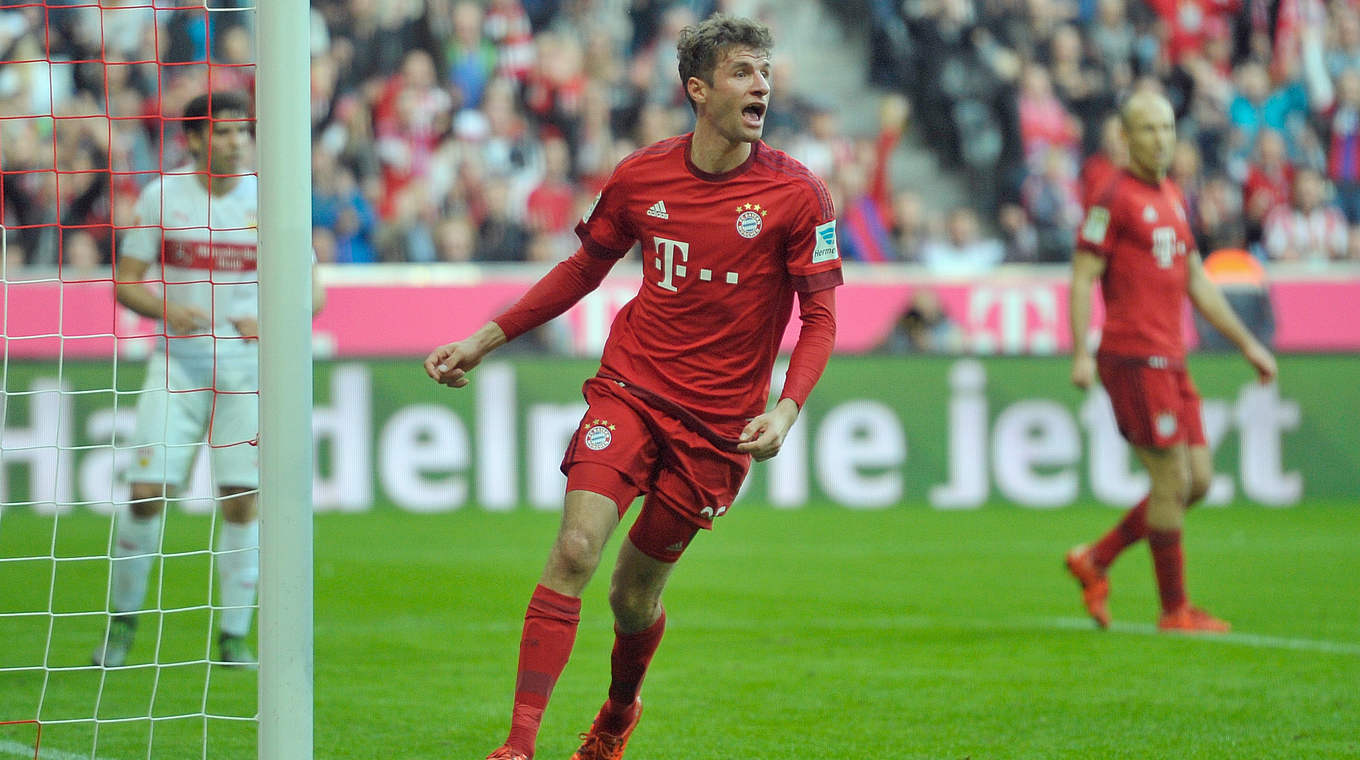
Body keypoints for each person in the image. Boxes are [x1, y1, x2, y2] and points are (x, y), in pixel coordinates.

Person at [423, 14, 840, 760]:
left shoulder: (798, 195)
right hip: (632, 391)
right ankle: (518, 746)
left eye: (765, 73)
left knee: (630, 596)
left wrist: (787, 406)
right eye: (744, 72)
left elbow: (820, 318)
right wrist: (485, 339)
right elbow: (583, 270)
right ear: (697, 89)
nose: (762, 86)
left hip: (718, 430)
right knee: (577, 547)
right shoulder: (642, 175)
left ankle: (618, 713)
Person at [92, 91, 326, 668]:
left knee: (243, 499)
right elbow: (126, 281)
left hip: (247, 370)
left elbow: (313, 294)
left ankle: (233, 636)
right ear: (194, 139)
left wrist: (270, 319)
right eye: (221, 132)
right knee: (147, 494)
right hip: (178, 366)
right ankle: (121, 627)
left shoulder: (271, 199)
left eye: (241, 131)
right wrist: (166, 310)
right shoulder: (163, 196)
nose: (235, 141)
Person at [1065, 91, 1277, 634]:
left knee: (1198, 481)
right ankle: (1174, 610)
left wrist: (1248, 344)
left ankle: (1097, 558)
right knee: (1170, 480)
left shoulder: (1173, 196)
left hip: (1173, 358)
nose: (1160, 139)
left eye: (1167, 129)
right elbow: (1084, 274)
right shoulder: (1111, 196)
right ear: (1127, 137)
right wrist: (1082, 351)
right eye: (1148, 130)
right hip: (1133, 356)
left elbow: (1197, 281)